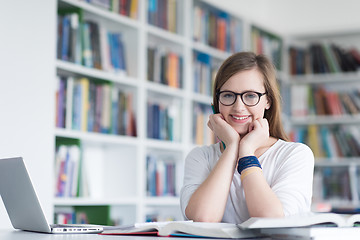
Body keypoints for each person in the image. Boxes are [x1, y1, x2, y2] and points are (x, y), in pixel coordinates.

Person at [180, 52, 314, 223]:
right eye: (228, 95)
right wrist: (232, 146)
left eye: (250, 95)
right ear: (217, 101)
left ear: (268, 101)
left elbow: (271, 221)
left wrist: (247, 152)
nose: (238, 107)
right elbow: (203, 218)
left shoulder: (295, 155)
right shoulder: (200, 157)